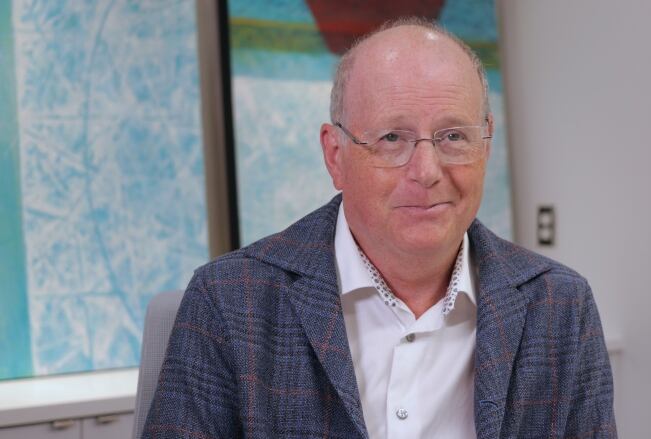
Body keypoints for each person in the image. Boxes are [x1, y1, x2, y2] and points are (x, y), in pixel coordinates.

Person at [142, 18, 615, 439]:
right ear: (335, 155)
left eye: (454, 136)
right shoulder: (230, 301)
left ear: (486, 145)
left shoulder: (560, 308)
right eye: (392, 138)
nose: (427, 170)